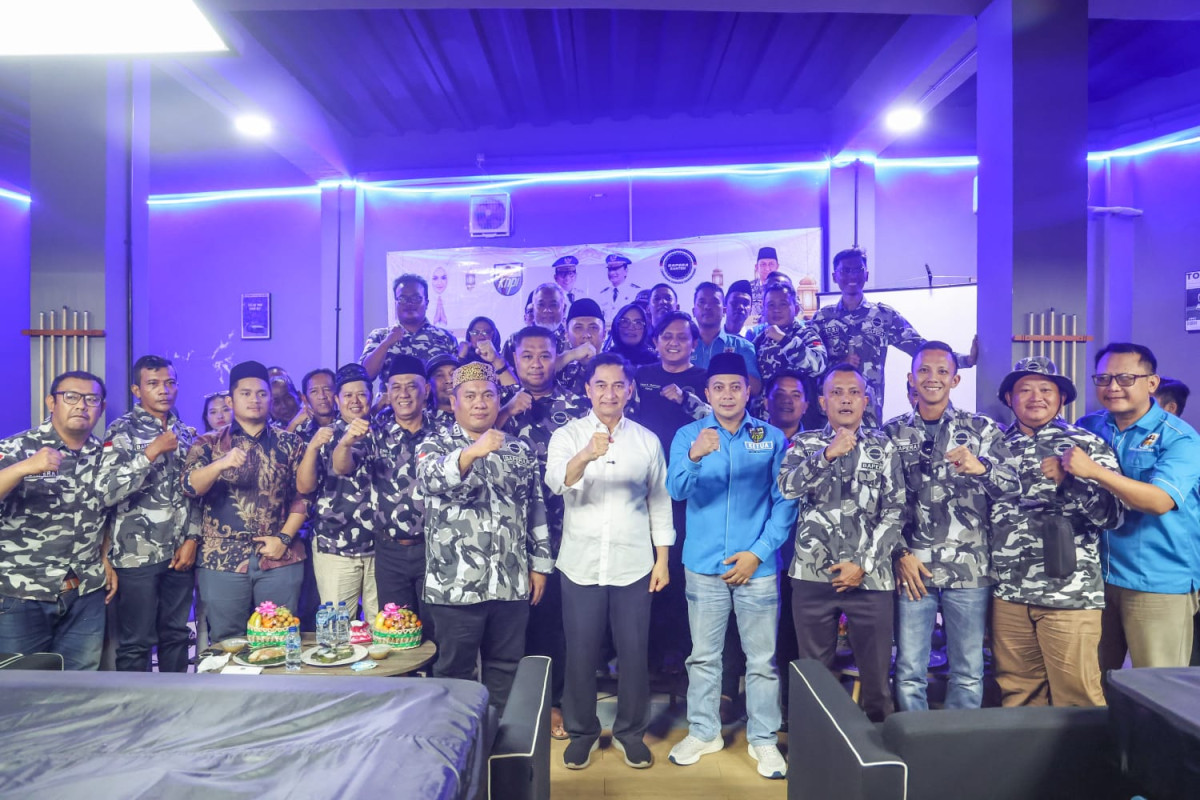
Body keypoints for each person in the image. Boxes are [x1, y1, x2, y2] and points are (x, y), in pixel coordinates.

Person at [666, 353, 795, 779]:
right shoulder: (689, 435)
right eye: (718, 388)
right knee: (703, 657)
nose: (727, 395)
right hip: (703, 566)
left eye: (735, 387)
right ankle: (704, 732)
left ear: (747, 391)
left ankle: (763, 739)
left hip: (757, 567)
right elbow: (676, 490)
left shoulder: (770, 437)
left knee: (762, 660)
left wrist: (758, 553)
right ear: (707, 393)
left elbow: (784, 501)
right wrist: (695, 455)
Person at [547, 353, 674, 770]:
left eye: (618, 385)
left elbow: (659, 501)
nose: (609, 393)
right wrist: (587, 453)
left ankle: (630, 733)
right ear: (588, 389)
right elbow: (557, 482)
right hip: (580, 563)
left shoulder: (646, 440)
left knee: (634, 653)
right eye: (600, 385)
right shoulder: (568, 435)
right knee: (581, 653)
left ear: (630, 390)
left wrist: (662, 560)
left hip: (634, 564)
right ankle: (582, 733)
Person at [882, 342, 1020, 711]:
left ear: (955, 380)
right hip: (912, 566)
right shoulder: (892, 432)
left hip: (968, 567)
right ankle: (915, 738)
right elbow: (881, 503)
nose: (933, 378)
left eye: (942, 371)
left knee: (969, 670)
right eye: (924, 370)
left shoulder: (981, 428)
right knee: (908, 670)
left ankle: (959, 741)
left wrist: (982, 469)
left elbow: (1012, 486)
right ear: (911, 378)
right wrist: (899, 553)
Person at [415, 361, 554, 711]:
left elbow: (535, 507)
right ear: (454, 401)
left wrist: (539, 565)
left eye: (488, 395)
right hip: (455, 585)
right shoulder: (435, 444)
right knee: (454, 672)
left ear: (498, 399)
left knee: (506, 668)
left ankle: (498, 737)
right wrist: (472, 451)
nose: (480, 402)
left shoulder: (518, 449)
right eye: (471, 396)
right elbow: (430, 480)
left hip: (509, 581)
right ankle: (455, 738)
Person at [990, 357, 1122, 707]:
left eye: (1046, 389)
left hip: (1069, 594)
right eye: (1025, 390)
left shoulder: (1085, 444)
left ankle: (1085, 750)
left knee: (1078, 698)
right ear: (1009, 398)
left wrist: (1071, 481)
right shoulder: (993, 446)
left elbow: (1113, 516)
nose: (1036, 397)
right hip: (1009, 593)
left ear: (1062, 398)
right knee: (1017, 694)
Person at [777, 364, 904, 721]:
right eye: (836, 393)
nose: (845, 400)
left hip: (871, 579)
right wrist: (827, 455)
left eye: (853, 393)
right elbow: (786, 488)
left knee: (877, 681)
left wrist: (863, 564)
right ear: (822, 402)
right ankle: (816, 746)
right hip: (812, 576)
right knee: (815, 678)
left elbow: (896, 511)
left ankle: (879, 745)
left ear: (865, 401)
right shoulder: (805, 443)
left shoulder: (884, 446)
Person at [1076, 343, 1200, 669]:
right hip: (1096, 577)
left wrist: (1095, 471)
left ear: (1152, 383)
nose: (1113, 387)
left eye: (1126, 378)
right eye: (1103, 378)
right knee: (1092, 682)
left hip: (1157, 581)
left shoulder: (1180, 438)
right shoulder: (1089, 427)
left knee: (1156, 683)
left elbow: (1159, 501)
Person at [500, 325, 590, 740]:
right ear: (514, 360)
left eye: (545, 355)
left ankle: (554, 701)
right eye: (527, 356)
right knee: (511, 624)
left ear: (558, 358)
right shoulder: (496, 402)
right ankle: (512, 702)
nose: (536, 364)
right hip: (506, 535)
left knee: (556, 622)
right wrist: (506, 411)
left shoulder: (578, 405)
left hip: (565, 530)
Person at [182, 360, 308, 643]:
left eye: (262, 394)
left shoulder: (291, 443)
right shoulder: (208, 443)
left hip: (279, 557)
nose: (255, 399)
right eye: (246, 393)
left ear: (270, 399)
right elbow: (189, 487)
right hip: (221, 560)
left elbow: (304, 497)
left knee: (278, 638)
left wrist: (284, 539)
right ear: (231, 400)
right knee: (227, 642)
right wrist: (220, 464)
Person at [0, 371, 115, 669]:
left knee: (79, 685)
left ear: (101, 407)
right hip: (22, 592)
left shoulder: (106, 456)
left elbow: (110, 513)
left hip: (86, 592)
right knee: (18, 685)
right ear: (51, 402)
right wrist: (24, 468)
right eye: (71, 397)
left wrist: (106, 555)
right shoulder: (17, 448)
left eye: (92, 399)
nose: (81, 405)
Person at [97, 355, 198, 673]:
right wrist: (150, 452)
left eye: (170, 383)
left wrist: (193, 538)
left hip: (179, 554)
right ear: (136, 390)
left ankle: (175, 701)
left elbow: (195, 491)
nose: (164, 390)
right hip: (136, 555)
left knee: (177, 636)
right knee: (136, 643)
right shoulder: (121, 430)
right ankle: (135, 704)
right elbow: (107, 492)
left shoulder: (184, 432)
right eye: (153, 384)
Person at [809, 247, 977, 427]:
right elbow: (809, 366)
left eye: (858, 269)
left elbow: (921, 349)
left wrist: (967, 360)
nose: (852, 275)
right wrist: (837, 364)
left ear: (866, 275)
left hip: (868, 412)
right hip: (829, 414)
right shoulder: (822, 318)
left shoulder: (884, 316)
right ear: (834, 276)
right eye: (845, 271)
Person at [333, 356, 437, 638]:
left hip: (435, 550)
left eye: (411, 386)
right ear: (387, 393)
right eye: (396, 387)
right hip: (390, 552)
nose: (404, 394)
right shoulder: (374, 432)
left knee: (436, 631)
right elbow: (342, 467)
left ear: (426, 389)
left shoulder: (444, 430)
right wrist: (346, 441)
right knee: (395, 632)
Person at [632, 311, 711, 675]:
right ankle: (647, 659)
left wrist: (685, 399)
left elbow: (721, 421)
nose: (674, 342)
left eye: (682, 337)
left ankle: (682, 656)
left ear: (694, 343)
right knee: (647, 571)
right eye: (667, 336)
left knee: (680, 571)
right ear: (656, 341)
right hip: (645, 486)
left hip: (691, 489)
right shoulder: (642, 375)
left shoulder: (704, 378)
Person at [297, 364, 379, 622]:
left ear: (371, 396)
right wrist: (313, 448)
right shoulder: (324, 435)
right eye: (348, 395)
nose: (355, 401)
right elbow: (305, 487)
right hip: (335, 544)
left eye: (362, 394)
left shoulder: (385, 431)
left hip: (381, 548)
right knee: (337, 628)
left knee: (382, 627)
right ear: (337, 400)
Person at [361, 273, 458, 388]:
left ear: (426, 303)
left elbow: (457, 381)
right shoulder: (380, 336)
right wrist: (386, 343)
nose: (409, 303)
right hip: (392, 400)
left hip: (434, 400)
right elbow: (365, 376)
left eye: (416, 298)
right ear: (395, 303)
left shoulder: (445, 338)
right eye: (403, 299)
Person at [690, 282, 762, 395]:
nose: (707, 307)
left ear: (724, 310)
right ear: (693, 311)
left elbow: (755, 388)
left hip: (728, 405)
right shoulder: (684, 345)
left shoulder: (742, 346)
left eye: (714, 302)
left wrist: (730, 368)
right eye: (702, 302)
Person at [753, 283, 828, 389]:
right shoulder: (759, 340)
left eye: (783, 304)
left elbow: (819, 365)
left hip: (799, 398)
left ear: (796, 309)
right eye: (771, 305)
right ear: (763, 310)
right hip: (767, 399)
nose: (776, 310)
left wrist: (784, 340)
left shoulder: (807, 335)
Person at [504, 284, 569, 363]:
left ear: (564, 309)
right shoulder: (515, 340)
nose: (547, 310)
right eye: (541, 305)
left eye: (553, 305)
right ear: (533, 308)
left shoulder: (572, 340)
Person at [556, 298, 607, 396]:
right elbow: (536, 375)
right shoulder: (560, 367)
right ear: (567, 335)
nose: (586, 335)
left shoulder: (616, 368)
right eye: (578, 328)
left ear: (604, 334)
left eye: (593, 328)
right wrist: (571, 355)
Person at [288, 368, 337, 437]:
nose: (322, 396)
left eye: (327, 389)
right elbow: (281, 442)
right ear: (305, 399)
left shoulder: (347, 423)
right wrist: (294, 423)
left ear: (336, 394)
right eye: (314, 391)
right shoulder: (299, 429)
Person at [597, 253, 642, 320]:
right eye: (610, 269)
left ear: (626, 270)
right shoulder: (602, 294)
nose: (612, 273)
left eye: (616, 269)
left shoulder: (636, 292)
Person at [748, 246, 779, 326]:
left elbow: (798, 311)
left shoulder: (785, 288)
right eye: (763, 264)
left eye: (771, 264)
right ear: (756, 267)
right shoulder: (748, 288)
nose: (767, 268)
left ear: (777, 266)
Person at [425, 353, 458, 430]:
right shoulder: (422, 421)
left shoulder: (476, 414)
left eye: (453, 374)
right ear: (428, 386)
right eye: (439, 375)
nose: (449, 380)